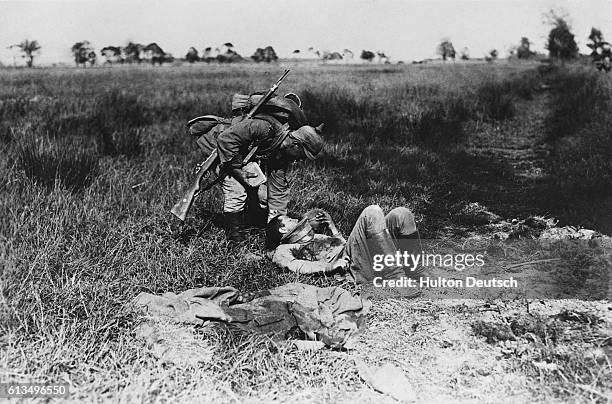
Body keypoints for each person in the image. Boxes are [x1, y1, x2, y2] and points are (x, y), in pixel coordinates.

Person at [215, 93, 324, 242]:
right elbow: (225, 140)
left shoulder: (281, 153)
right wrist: (238, 171)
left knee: (263, 195)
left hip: (243, 156)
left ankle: (254, 225)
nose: (300, 160)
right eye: (303, 155)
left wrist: (279, 227)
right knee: (237, 190)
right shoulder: (265, 128)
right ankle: (235, 240)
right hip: (221, 150)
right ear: (296, 144)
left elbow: (277, 191)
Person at [266, 205, 424, 290]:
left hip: (360, 259)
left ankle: (416, 272)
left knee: (401, 214)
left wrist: (332, 228)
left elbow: (344, 245)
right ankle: (396, 278)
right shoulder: (283, 249)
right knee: (371, 212)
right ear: (282, 229)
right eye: (288, 219)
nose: (294, 218)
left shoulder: (316, 237)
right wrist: (328, 267)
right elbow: (296, 265)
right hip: (353, 270)